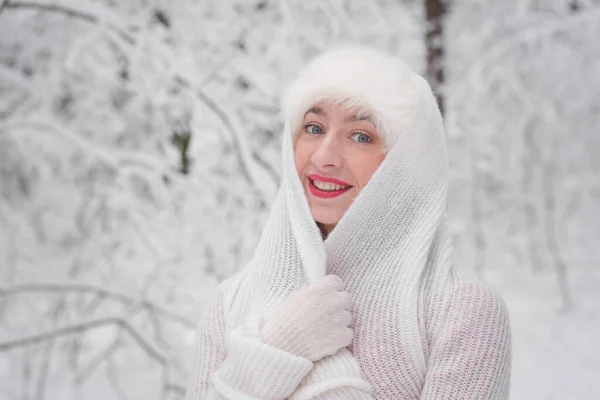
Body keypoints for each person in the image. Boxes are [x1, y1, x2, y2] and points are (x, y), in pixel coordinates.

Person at [185, 45, 511, 400]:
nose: (324, 157)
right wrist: (279, 348)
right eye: (313, 127)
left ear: (405, 163)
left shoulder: (459, 309)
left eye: (361, 136)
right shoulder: (229, 303)